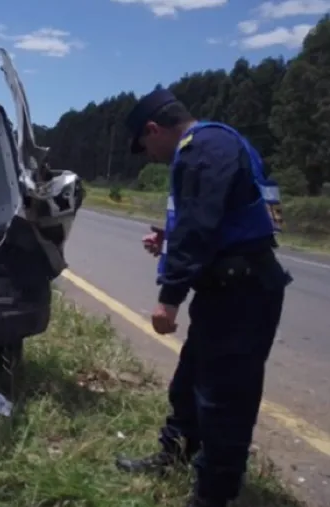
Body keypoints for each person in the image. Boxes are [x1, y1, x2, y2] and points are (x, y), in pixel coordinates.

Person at [115, 87, 291, 507]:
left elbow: (200, 226)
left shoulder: (203, 148)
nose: (149, 156)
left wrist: (169, 298)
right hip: (227, 290)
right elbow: (213, 220)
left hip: (242, 295)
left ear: (155, 128)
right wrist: (170, 236)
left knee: (224, 400)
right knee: (190, 383)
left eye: (145, 145)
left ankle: (214, 496)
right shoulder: (214, 143)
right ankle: (173, 454)